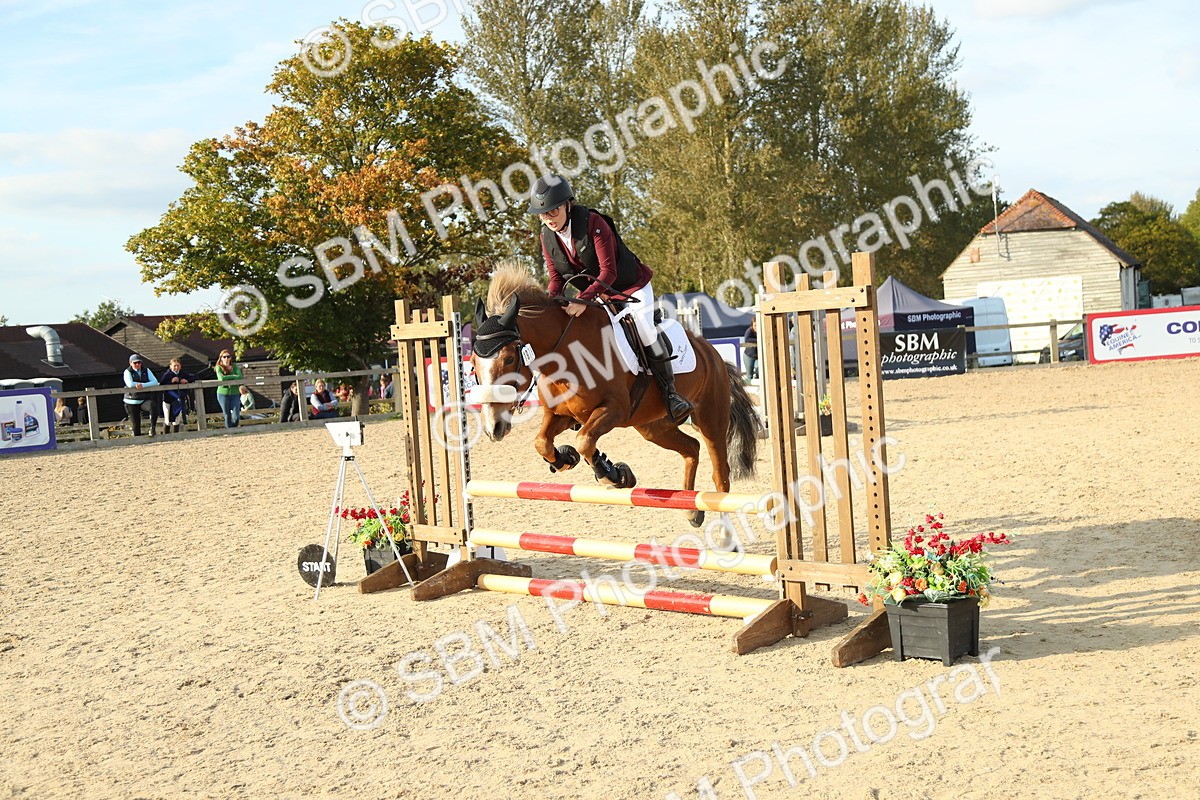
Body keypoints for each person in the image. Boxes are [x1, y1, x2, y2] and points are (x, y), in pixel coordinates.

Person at [527, 174, 693, 422]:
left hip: (630, 286)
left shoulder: (593, 222)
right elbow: (556, 277)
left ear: (567, 205)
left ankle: (671, 394)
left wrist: (582, 299)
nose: (548, 218)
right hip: (597, 295)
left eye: (553, 211)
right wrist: (551, 303)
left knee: (645, 328)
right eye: (543, 214)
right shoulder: (546, 236)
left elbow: (609, 271)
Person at [122, 354, 160, 437]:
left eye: (139, 363)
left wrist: (142, 385)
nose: (137, 365)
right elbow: (130, 384)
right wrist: (143, 384)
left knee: (153, 405)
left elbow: (155, 382)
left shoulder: (146, 370)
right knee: (136, 424)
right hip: (131, 400)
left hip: (143, 399)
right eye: (135, 363)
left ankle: (152, 428)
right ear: (130, 363)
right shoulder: (127, 372)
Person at [159, 358, 196, 433]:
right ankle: (166, 436)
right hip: (168, 400)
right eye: (174, 366)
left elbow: (194, 377)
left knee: (177, 419)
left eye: (178, 366)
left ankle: (176, 435)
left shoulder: (183, 373)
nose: (176, 368)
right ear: (170, 366)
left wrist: (187, 380)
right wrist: (171, 381)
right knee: (167, 420)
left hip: (179, 399)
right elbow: (161, 383)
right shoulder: (167, 374)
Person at [214, 349, 243, 428]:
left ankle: (233, 429)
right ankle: (229, 431)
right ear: (221, 358)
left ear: (230, 358)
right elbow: (221, 378)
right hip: (223, 394)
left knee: (236, 416)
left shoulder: (234, 366)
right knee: (227, 414)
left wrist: (228, 377)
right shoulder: (218, 367)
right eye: (224, 357)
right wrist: (233, 376)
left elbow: (240, 376)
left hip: (235, 393)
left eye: (228, 357)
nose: (226, 358)